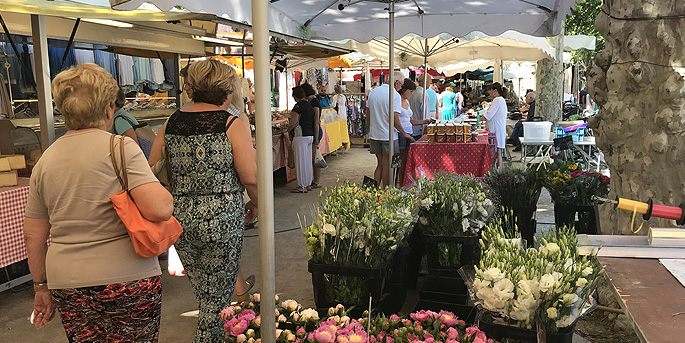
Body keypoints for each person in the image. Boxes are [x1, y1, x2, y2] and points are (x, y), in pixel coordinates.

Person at [23, 63, 173, 341]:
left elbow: (34, 234)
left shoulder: (45, 160)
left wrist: (41, 286)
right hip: (128, 277)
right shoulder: (120, 148)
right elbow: (160, 209)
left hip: (67, 282)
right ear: (107, 109)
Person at [148, 59, 258, 342]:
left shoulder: (171, 122)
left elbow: (151, 171)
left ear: (192, 89)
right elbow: (251, 177)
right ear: (227, 92)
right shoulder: (231, 123)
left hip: (182, 220)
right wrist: (256, 204)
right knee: (216, 305)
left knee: (207, 295)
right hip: (223, 221)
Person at [365, 71, 414, 188]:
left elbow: (368, 114)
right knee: (388, 165)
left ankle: (374, 190)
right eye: (401, 85)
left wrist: (369, 131)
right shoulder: (394, 95)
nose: (401, 87)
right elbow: (395, 119)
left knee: (380, 164)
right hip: (389, 136)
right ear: (396, 83)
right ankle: (386, 190)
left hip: (375, 134)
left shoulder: (373, 92)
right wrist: (404, 133)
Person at [397, 78, 431, 187]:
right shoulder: (397, 100)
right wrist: (403, 132)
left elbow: (411, 121)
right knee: (399, 162)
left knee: (406, 161)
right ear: (404, 89)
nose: (411, 93)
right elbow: (395, 119)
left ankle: (402, 183)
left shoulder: (407, 101)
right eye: (410, 91)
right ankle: (397, 183)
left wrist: (425, 121)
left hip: (409, 133)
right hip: (400, 134)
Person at [287, 86, 316, 193]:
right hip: (310, 135)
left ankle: (302, 185)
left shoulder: (298, 106)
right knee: (307, 161)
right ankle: (307, 184)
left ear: (295, 96)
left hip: (301, 135)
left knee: (300, 161)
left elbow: (293, 122)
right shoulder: (309, 105)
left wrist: (288, 130)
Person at [300, 83, 323, 189]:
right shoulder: (312, 101)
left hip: (315, 131)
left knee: (315, 158)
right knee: (313, 157)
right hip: (314, 131)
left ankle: (317, 181)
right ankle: (314, 180)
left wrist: (316, 138)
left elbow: (316, 121)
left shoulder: (314, 102)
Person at [484, 82, 508, 168]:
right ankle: (499, 170)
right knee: (498, 152)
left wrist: (478, 118)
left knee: (496, 152)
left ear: (495, 91)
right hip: (499, 128)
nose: (489, 95)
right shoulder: (501, 100)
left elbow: (488, 115)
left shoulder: (497, 100)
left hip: (496, 129)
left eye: (490, 93)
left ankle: (496, 170)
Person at [409, 74, 431, 140]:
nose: (430, 83)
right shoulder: (423, 94)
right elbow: (425, 113)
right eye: (430, 81)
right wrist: (426, 128)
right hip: (419, 129)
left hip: (412, 128)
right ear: (425, 81)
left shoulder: (413, 92)